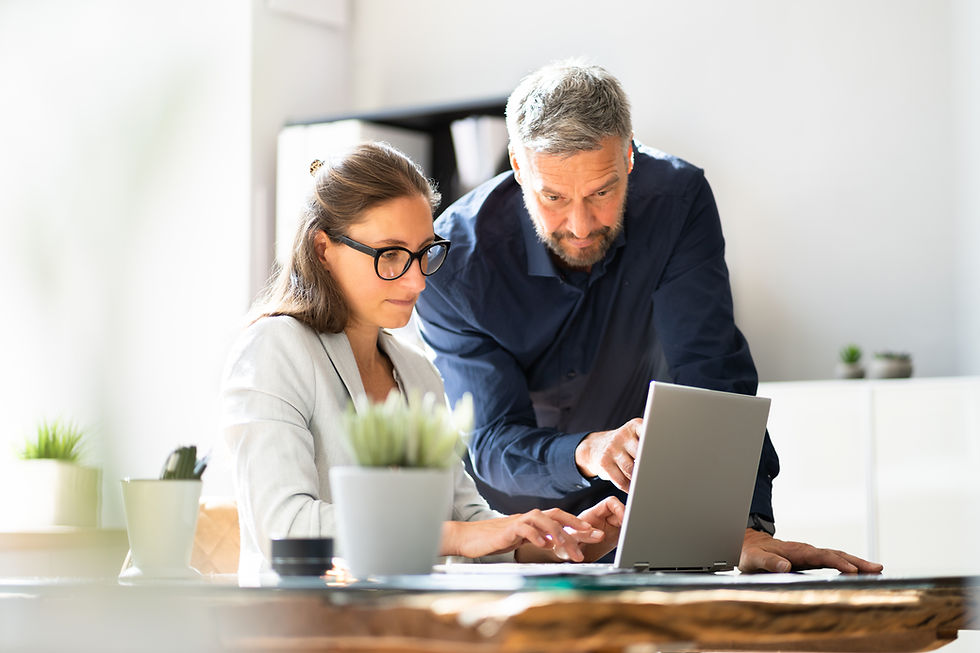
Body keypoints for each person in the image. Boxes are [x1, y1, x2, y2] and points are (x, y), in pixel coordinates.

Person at [415, 60, 882, 574]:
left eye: (602, 192)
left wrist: (733, 523)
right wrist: (585, 451)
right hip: (530, 532)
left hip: (666, 506)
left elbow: (711, 371)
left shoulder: (678, 200)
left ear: (629, 155)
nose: (580, 224)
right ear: (518, 167)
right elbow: (492, 438)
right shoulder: (453, 262)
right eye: (553, 198)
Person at [220, 142, 624, 577]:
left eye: (423, 253)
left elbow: (468, 523)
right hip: (300, 629)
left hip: (403, 625)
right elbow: (287, 525)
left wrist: (559, 541)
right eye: (390, 254)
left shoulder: (417, 372)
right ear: (323, 250)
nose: (417, 281)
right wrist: (454, 536)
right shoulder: (273, 349)